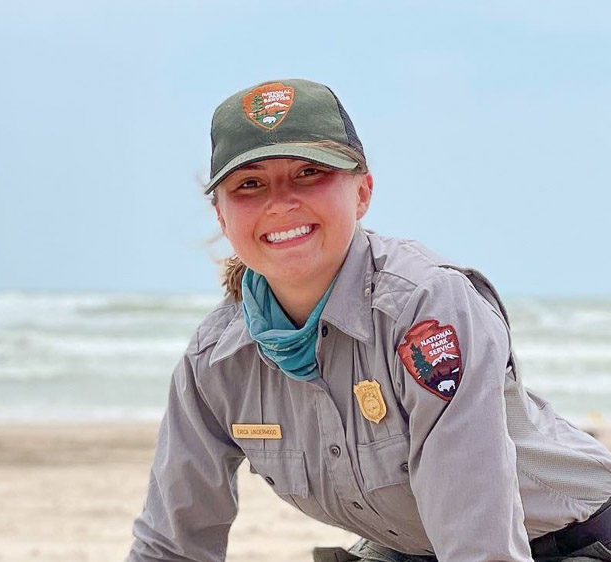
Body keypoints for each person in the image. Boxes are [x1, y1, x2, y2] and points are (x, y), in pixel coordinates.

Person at [125, 78, 611, 562]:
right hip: (409, 549)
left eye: (310, 172)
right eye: (249, 184)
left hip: (576, 538)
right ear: (221, 216)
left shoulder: (427, 311)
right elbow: (170, 546)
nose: (280, 202)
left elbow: (479, 545)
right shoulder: (215, 360)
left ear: (363, 192)